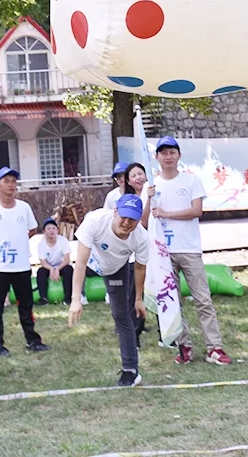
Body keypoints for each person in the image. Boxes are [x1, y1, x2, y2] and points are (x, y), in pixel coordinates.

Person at [151, 136, 231, 365]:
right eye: (163, 153)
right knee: (172, 302)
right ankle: (183, 345)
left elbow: (196, 211)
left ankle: (214, 347)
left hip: (189, 248)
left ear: (178, 155)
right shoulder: (153, 185)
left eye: (172, 152)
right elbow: (146, 218)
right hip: (164, 253)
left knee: (203, 299)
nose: (168, 157)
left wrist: (166, 214)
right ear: (157, 157)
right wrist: (148, 199)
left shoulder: (191, 180)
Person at [68, 195, 150, 386]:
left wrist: (138, 298)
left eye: (133, 219)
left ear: (139, 219)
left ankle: (130, 371)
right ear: (115, 212)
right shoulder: (95, 221)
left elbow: (140, 268)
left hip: (115, 268)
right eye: (123, 216)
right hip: (90, 263)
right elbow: (80, 263)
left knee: (121, 314)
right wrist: (76, 299)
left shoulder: (141, 237)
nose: (127, 223)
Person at [0, 167, 50, 357]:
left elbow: (32, 229)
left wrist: (20, 241)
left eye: (13, 181)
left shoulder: (23, 207)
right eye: (6, 181)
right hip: (0, 267)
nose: (11, 185)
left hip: (22, 266)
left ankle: (33, 340)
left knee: (26, 305)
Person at [124, 162, 152, 344]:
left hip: (156, 249)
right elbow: (142, 222)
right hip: (135, 253)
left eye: (140, 173)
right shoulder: (129, 200)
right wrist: (148, 199)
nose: (138, 178)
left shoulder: (155, 192)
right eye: (133, 175)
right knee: (135, 294)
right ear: (128, 181)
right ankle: (134, 333)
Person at [36, 217, 73, 305]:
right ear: (44, 232)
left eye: (53, 228)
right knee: (41, 272)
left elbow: (67, 259)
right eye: (48, 229)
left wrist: (57, 269)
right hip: (49, 266)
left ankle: (68, 298)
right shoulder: (41, 244)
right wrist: (51, 269)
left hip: (62, 265)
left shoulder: (63, 241)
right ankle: (43, 298)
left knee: (68, 269)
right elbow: (43, 262)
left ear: (57, 230)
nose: (51, 231)